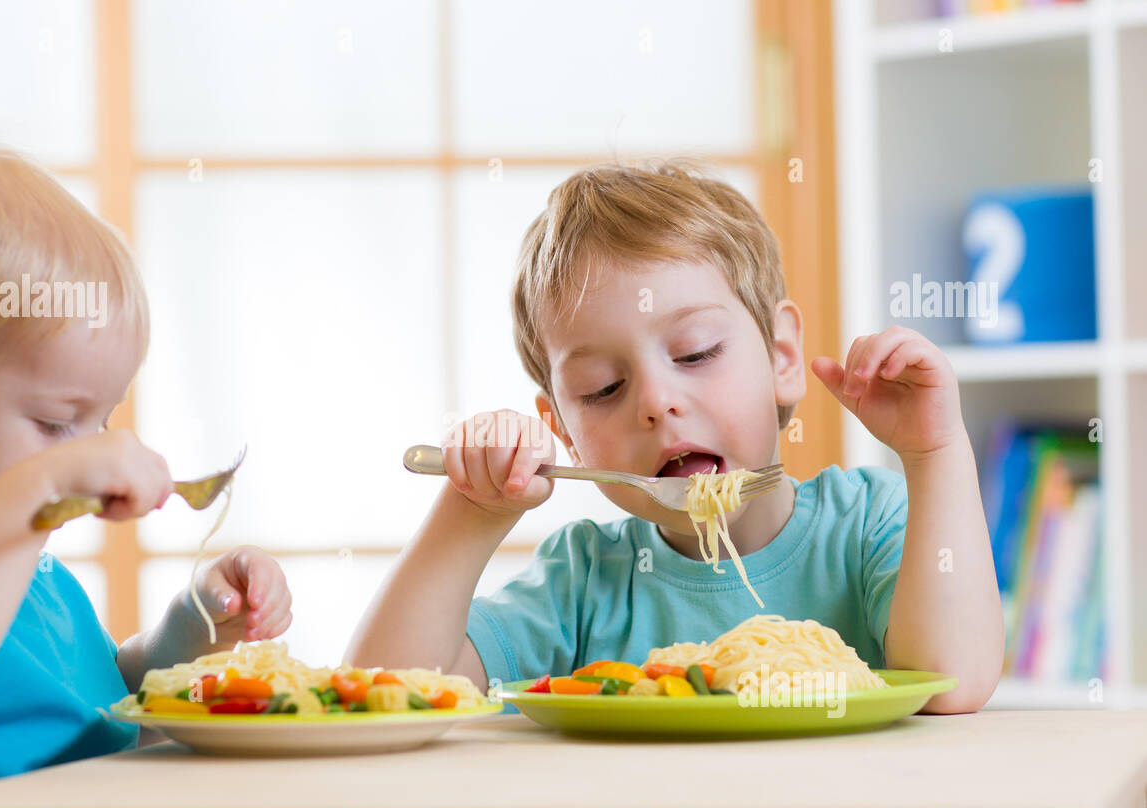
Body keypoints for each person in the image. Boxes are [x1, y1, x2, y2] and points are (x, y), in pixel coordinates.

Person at [348, 161, 1002, 715]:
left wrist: (934, 451)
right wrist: (472, 511)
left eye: (694, 353)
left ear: (781, 355)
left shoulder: (866, 527)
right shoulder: (583, 583)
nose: (657, 403)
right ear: (564, 433)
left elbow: (953, 681)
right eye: (604, 388)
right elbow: (389, 693)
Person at [0, 147, 292, 808]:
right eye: (57, 425)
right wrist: (36, 492)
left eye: (102, 422)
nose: (84, 454)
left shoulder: (36, 574)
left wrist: (191, 627)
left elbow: (102, 702)